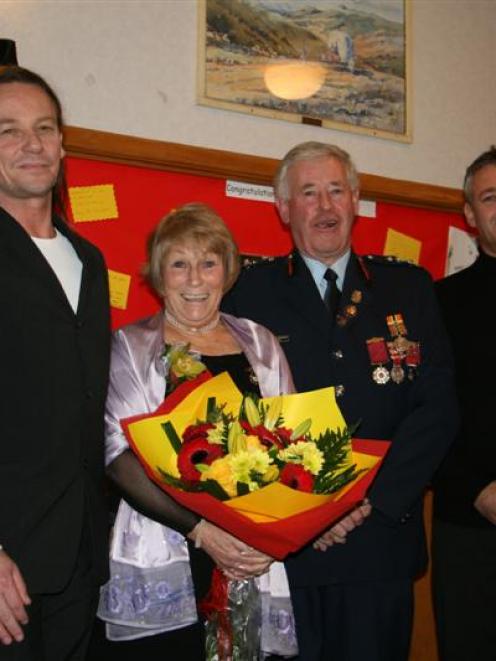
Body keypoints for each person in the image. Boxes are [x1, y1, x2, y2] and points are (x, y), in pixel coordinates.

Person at [222, 141, 458, 661]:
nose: (325, 207)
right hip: (290, 552)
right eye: (309, 193)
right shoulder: (247, 292)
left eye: (336, 191)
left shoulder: (409, 288)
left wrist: (365, 500)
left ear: (355, 201)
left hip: (380, 543)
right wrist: (310, 512)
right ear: (284, 208)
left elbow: (437, 407)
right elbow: (237, 413)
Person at [89, 203, 298, 660]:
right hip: (167, 543)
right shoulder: (129, 345)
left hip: (250, 553)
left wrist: (267, 536)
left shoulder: (260, 342)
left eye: (208, 262)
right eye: (179, 264)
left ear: (228, 271)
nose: (196, 279)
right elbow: (117, 457)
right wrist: (203, 531)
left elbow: (293, 444)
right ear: (160, 277)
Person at [0, 66, 111, 659]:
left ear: (64, 144)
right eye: (8, 130)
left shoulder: (90, 261)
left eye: (44, 128)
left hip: (80, 560)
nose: (33, 143)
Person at [431, 146, 496, 661]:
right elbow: (428, 413)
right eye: (491, 197)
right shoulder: (439, 302)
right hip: (469, 521)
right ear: (470, 215)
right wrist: (476, 489)